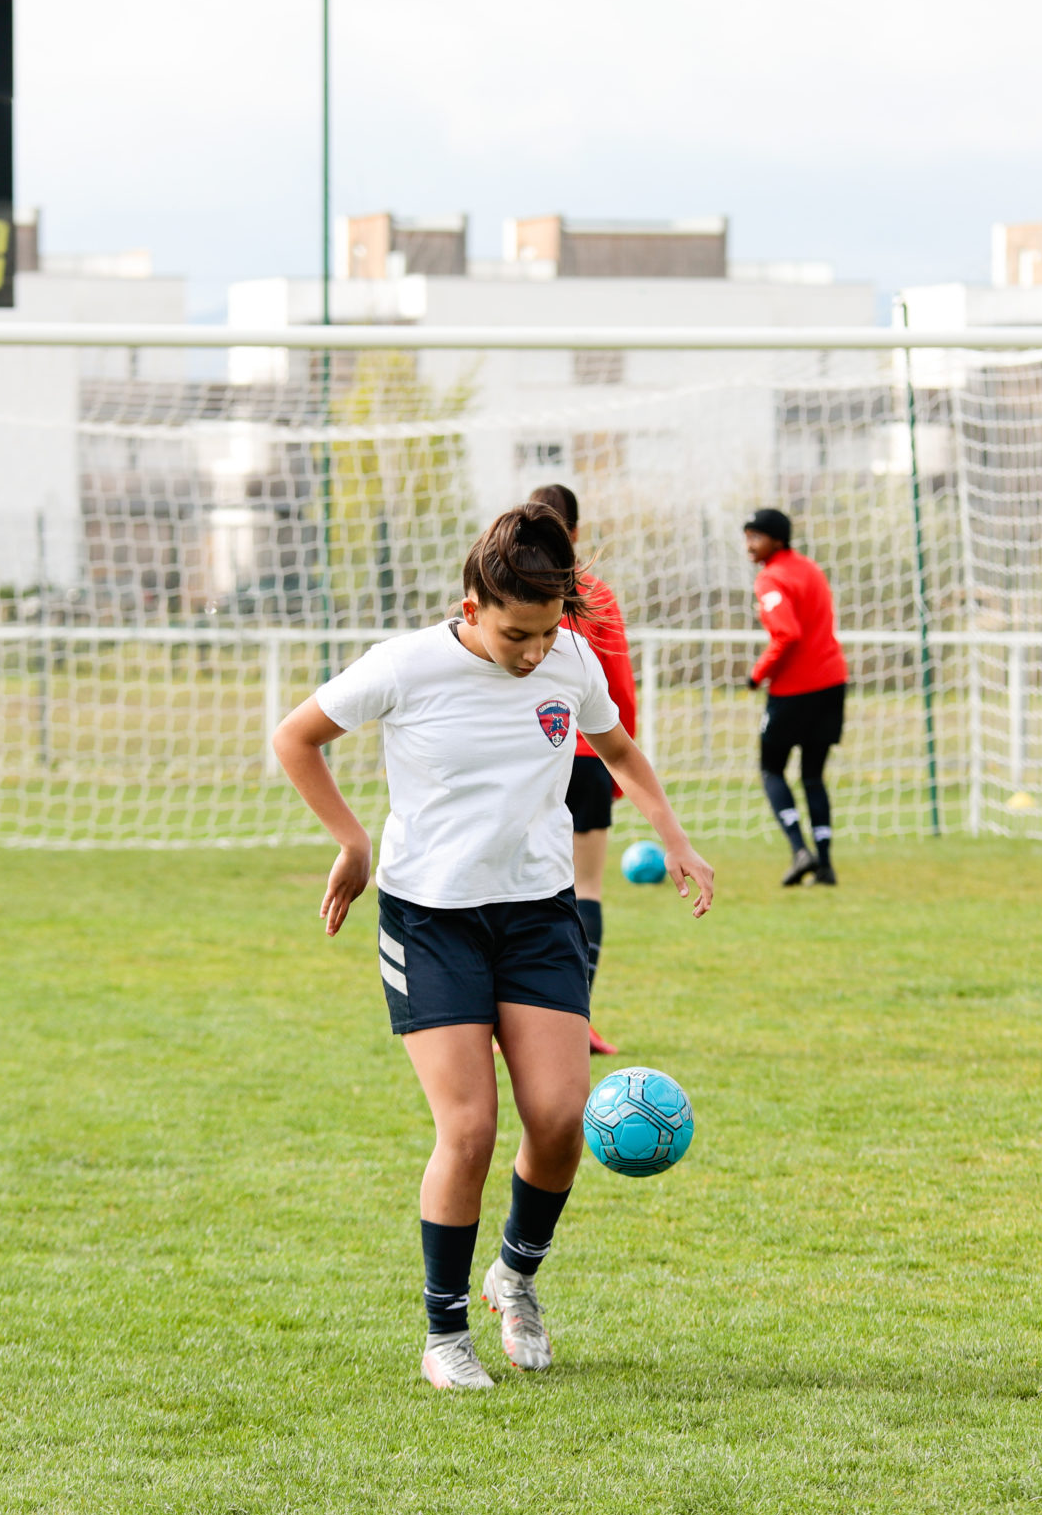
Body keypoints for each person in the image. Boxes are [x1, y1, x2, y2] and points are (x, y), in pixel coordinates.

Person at [271, 504, 715, 1391]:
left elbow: (619, 747)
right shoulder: (407, 664)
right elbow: (296, 736)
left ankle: (514, 1277)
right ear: (471, 604)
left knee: (557, 1122)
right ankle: (445, 1334)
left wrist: (673, 833)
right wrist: (354, 842)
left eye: (547, 633)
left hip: (537, 913)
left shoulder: (569, 660)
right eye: (517, 633)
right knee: (469, 1128)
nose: (532, 652)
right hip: (431, 918)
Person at [524, 483, 638, 1057]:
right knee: (584, 887)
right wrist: (621, 770)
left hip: (529, 762)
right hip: (590, 757)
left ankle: (511, 1022)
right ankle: (577, 1021)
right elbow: (618, 689)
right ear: (574, 533)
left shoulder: (507, 585)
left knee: (521, 887)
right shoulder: (594, 593)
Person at [742, 507, 845, 886]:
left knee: (771, 768)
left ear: (777, 540)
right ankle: (826, 865)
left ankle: (800, 851)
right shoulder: (811, 569)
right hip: (832, 681)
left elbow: (787, 634)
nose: (749, 544)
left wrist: (757, 674)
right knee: (813, 776)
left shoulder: (771, 579)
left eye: (755, 536)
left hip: (794, 689)